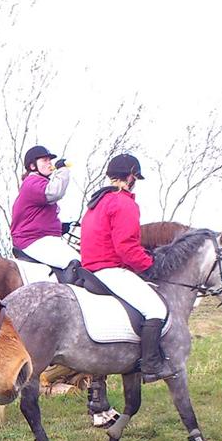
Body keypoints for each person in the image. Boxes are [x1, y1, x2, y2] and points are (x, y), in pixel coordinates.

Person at [79, 154, 175, 383]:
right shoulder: (124, 203)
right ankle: (151, 365)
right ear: (131, 176)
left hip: (90, 269)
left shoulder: (96, 203)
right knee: (156, 310)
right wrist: (150, 265)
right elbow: (126, 247)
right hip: (111, 269)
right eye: (136, 178)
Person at [10, 145, 80, 270]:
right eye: (44, 160)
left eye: (50, 160)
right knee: (77, 263)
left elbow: (36, 217)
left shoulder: (37, 182)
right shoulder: (32, 182)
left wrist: (59, 227)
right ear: (32, 166)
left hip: (38, 238)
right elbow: (54, 192)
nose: (49, 164)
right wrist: (62, 170)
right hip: (33, 240)